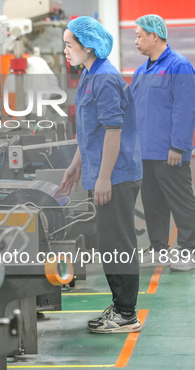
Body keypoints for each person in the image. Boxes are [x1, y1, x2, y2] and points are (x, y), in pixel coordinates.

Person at [60, 16, 143, 333]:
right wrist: (76, 163)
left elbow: (112, 132)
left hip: (117, 174)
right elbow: (90, 131)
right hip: (103, 171)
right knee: (111, 243)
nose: (66, 51)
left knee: (119, 244)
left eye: (69, 45)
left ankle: (126, 314)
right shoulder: (89, 75)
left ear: (87, 46)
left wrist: (105, 177)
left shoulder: (105, 79)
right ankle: (121, 305)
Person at [132, 14, 195, 272]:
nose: (136, 41)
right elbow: (134, 109)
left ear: (155, 36)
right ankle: (159, 249)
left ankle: (190, 250)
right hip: (146, 152)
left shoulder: (179, 66)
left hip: (169, 151)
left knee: (180, 200)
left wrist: (179, 146)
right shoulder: (141, 70)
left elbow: (185, 109)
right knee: (152, 202)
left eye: (139, 36)